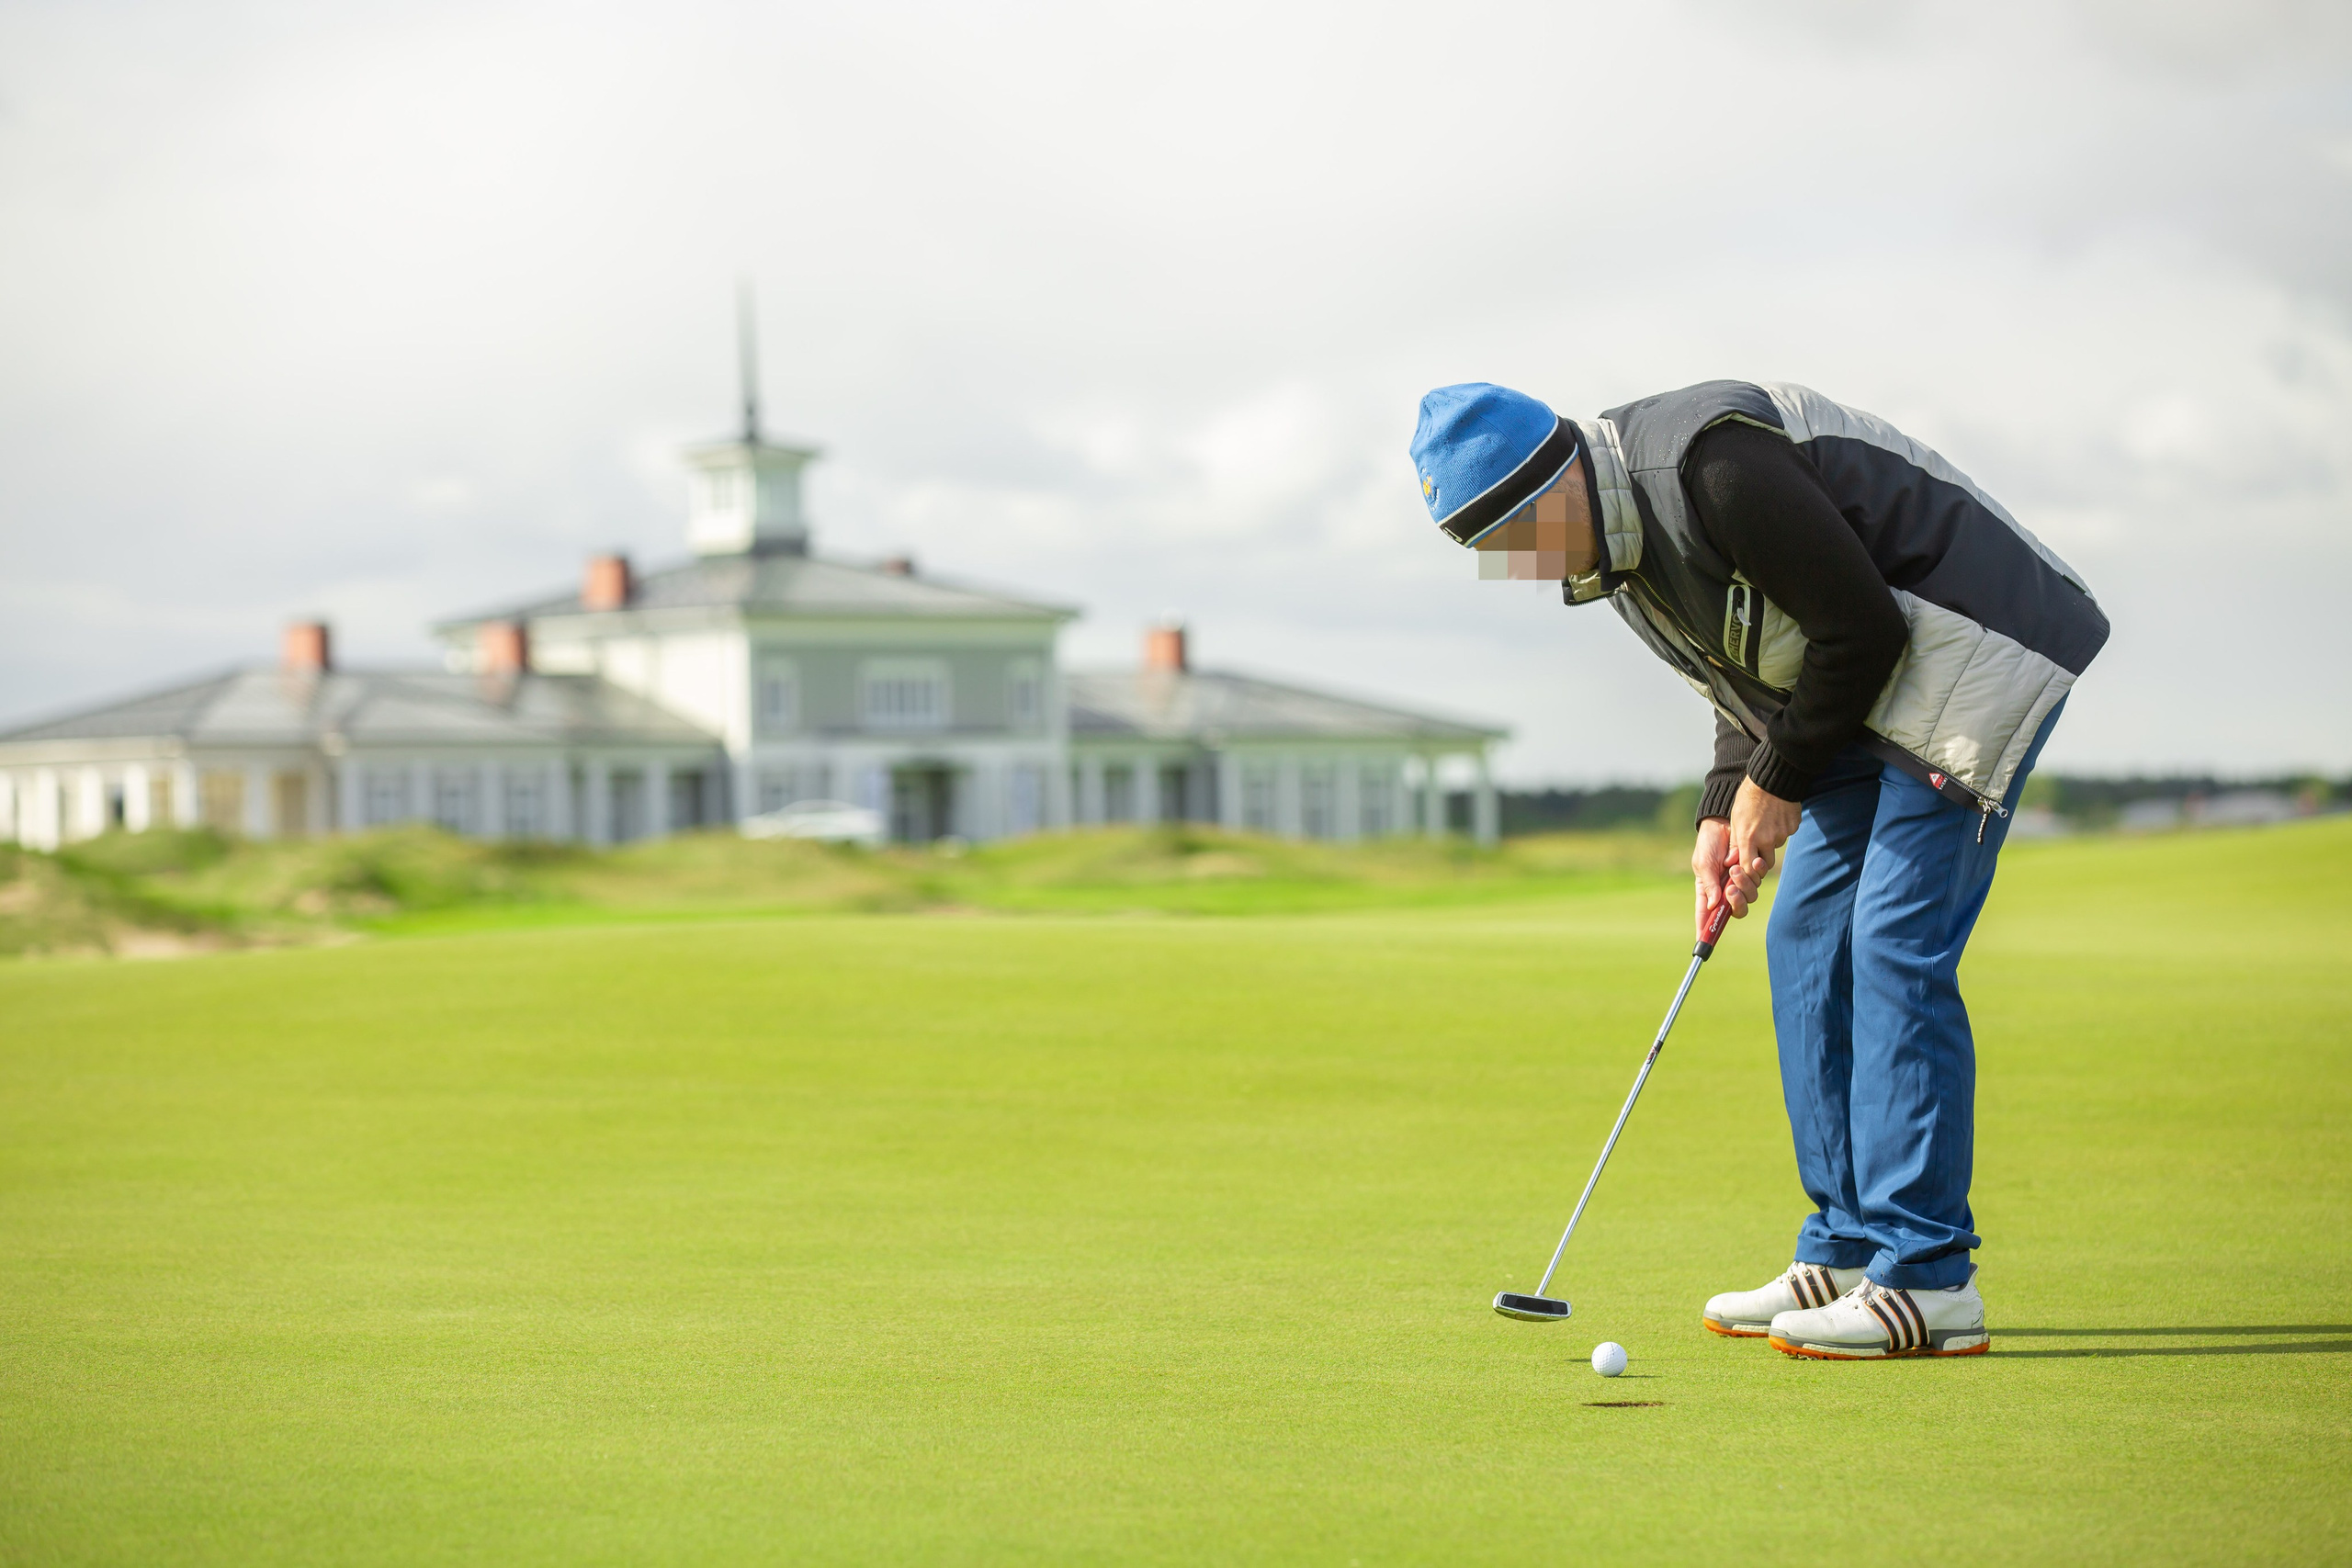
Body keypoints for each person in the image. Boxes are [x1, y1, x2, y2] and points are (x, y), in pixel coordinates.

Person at [1410, 380, 2108, 1359]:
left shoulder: (1711, 469)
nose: (1519, 567)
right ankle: (1850, 1240)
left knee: (1893, 947)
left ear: (1555, 478)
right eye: (1491, 554)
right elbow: (1742, 674)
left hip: (1971, 648)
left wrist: (1777, 783)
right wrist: (1719, 806)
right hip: (1867, 682)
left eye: (1514, 535)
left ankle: (1928, 1275)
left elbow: (1863, 626)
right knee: (1806, 939)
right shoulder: (1613, 557)